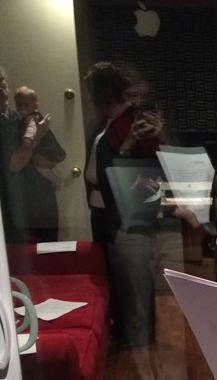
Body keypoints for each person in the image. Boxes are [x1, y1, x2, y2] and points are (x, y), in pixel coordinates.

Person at [83, 61, 169, 349]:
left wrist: (128, 144)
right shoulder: (105, 123)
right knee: (116, 278)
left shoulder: (135, 122)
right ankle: (124, 332)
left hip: (125, 213)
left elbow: (147, 169)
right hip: (103, 210)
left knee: (134, 280)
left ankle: (140, 341)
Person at [0, 67, 59, 243]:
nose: (4, 93)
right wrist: (37, 136)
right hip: (16, 208)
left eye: (4, 86)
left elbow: (53, 155)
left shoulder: (20, 116)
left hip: (40, 201)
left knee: (48, 254)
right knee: (23, 259)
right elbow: (14, 164)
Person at [14, 86, 66, 190]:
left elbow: (31, 128)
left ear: (35, 106)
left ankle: (57, 180)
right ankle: (55, 181)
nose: (22, 108)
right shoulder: (30, 116)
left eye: (25, 105)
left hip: (47, 151)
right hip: (48, 150)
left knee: (39, 165)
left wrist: (27, 139)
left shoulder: (31, 117)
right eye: (19, 105)